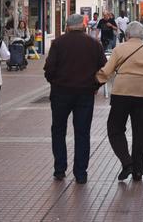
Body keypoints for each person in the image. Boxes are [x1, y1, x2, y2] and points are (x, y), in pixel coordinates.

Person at [96, 22, 143, 182]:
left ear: (127, 35)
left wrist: (94, 81)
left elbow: (106, 72)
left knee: (115, 128)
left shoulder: (119, 49)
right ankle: (139, 171)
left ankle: (127, 162)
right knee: (140, 132)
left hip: (121, 93)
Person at [44, 14, 107, 184]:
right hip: (85, 94)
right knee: (82, 133)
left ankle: (59, 169)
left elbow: (49, 69)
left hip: (61, 93)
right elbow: (104, 69)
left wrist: (55, 83)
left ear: (67, 26)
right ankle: (80, 173)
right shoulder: (94, 44)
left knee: (58, 130)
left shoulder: (58, 43)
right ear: (83, 25)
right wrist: (94, 86)